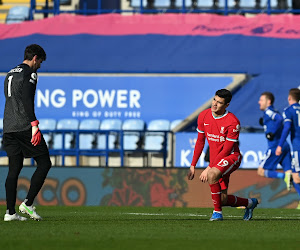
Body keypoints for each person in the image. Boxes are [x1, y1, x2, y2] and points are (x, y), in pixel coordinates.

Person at [187, 89, 258, 221]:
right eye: (214, 100)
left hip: (231, 157)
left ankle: (217, 214)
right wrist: (193, 165)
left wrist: (209, 167)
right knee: (221, 199)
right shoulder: (203, 115)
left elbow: (226, 150)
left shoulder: (233, 122)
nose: (214, 104)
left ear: (226, 105)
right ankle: (250, 203)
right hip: (216, 160)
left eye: (219, 102)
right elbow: (200, 141)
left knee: (212, 174)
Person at [2, 44, 51, 221]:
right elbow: (26, 99)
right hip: (24, 126)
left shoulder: (9, 74)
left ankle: (10, 212)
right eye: (40, 62)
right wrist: (34, 124)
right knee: (44, 163)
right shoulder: (30, 73)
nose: (39, 66)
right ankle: (28, 204)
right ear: (35, 58)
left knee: (14, 169)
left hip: (8, 127)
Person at [257, 92, 292, 190]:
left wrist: (272, 132)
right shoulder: (270, 113)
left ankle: (282, 176)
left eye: (261, 100)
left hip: (275, 146)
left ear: (268, 101)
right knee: (290, 173)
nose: (259, 102)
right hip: (284, 145)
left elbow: (279, 119)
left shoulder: (269, 111)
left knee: (261, 171)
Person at [276, 88, 300, 209]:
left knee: (296, 175)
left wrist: (280, 145)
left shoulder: (288, 110)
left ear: (289, 98)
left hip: (297, 146)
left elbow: (286, 128)